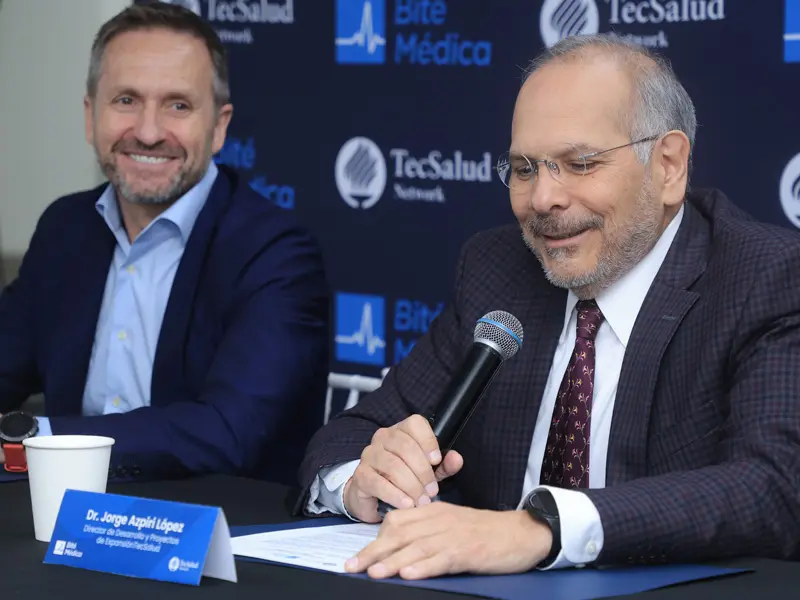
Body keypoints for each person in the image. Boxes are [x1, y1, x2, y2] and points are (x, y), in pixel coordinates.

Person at [297, 33, 800, 580]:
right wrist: (362, 479)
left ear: (669, 166)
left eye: (579, 163)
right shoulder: (497, 268)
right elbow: (354, 432)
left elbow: (772, 488)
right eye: (525, 168)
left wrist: (540, 529)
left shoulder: (763, 275)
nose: (542, 199)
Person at [0, 2, 330, 486]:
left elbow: (225, 432)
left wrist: (35, 443)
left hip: (214, 535)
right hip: (59, 520)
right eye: (126, 100)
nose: (149, 132)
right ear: (91, 115)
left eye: (178, 105)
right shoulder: (66, 228)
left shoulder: (276, 253)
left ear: (218, 126)